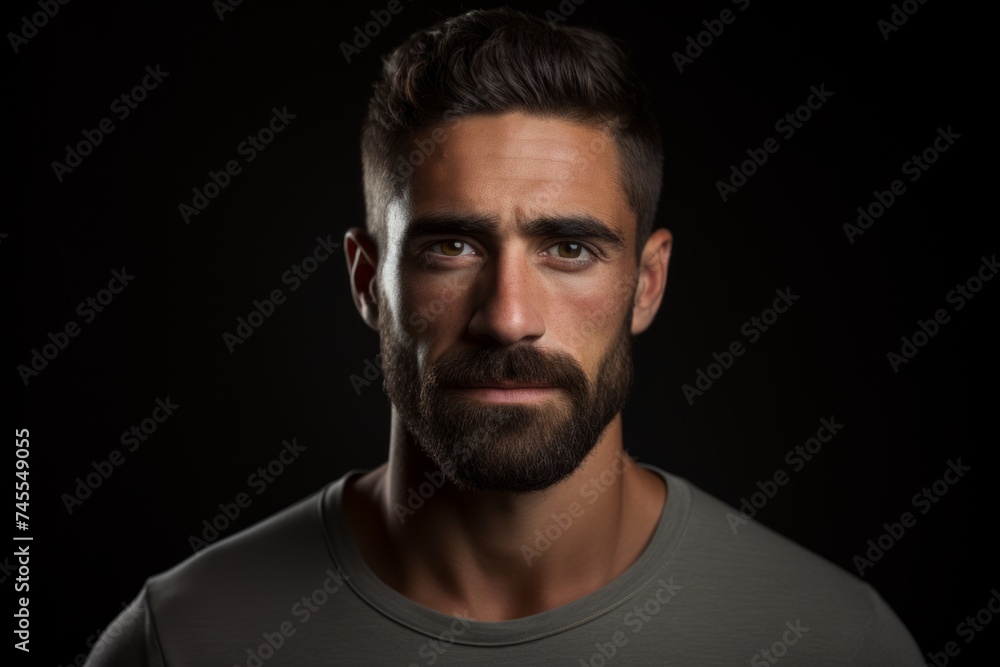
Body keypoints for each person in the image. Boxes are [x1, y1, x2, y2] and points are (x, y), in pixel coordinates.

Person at [86, 7, 923, 665]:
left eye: (569, 248)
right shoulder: (184, 639)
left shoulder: (833, 642)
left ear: (648, 281)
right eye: (452, 246)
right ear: (365, 281)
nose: (508, 315)